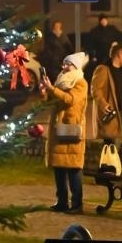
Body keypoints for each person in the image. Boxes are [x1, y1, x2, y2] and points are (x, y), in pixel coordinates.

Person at [38, 51, 89, 213]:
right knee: (59, 168)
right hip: (58, 129)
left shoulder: (80, 83)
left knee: (73, 169)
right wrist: (44, 92)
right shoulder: (61, 81)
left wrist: (52, 88)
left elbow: (70, 99)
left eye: (68, 64)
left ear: (75, 66)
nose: (64, 66)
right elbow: (52, 100)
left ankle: (77, 204)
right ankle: (62, 202)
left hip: (72, 129)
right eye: (64, 63)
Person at [91, 42, 122, 140]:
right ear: (119, 55)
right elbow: (95, 89)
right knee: (112, 141)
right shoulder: (103, 69)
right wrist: (103, 104)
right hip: (112, 112)